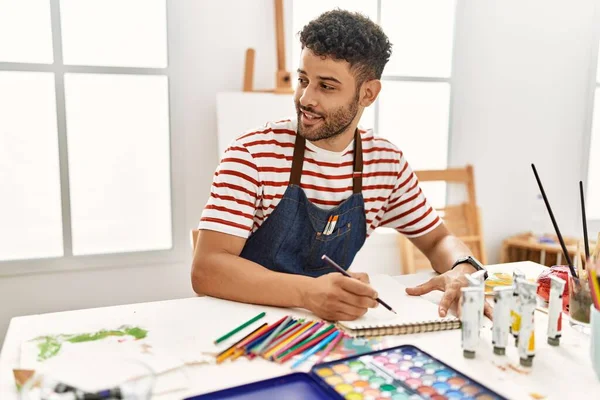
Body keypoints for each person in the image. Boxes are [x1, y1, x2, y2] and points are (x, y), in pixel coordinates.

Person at [192, 9, 490, 322]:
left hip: (326, 328)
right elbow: (207, 269)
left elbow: (438, 239)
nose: (306, 98)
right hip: (242, 326)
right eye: (303, 80)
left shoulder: (385, 164)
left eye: (327, 86)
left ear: (368, 93)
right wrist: (308, 293)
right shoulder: (252, 155)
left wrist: (462, 268)